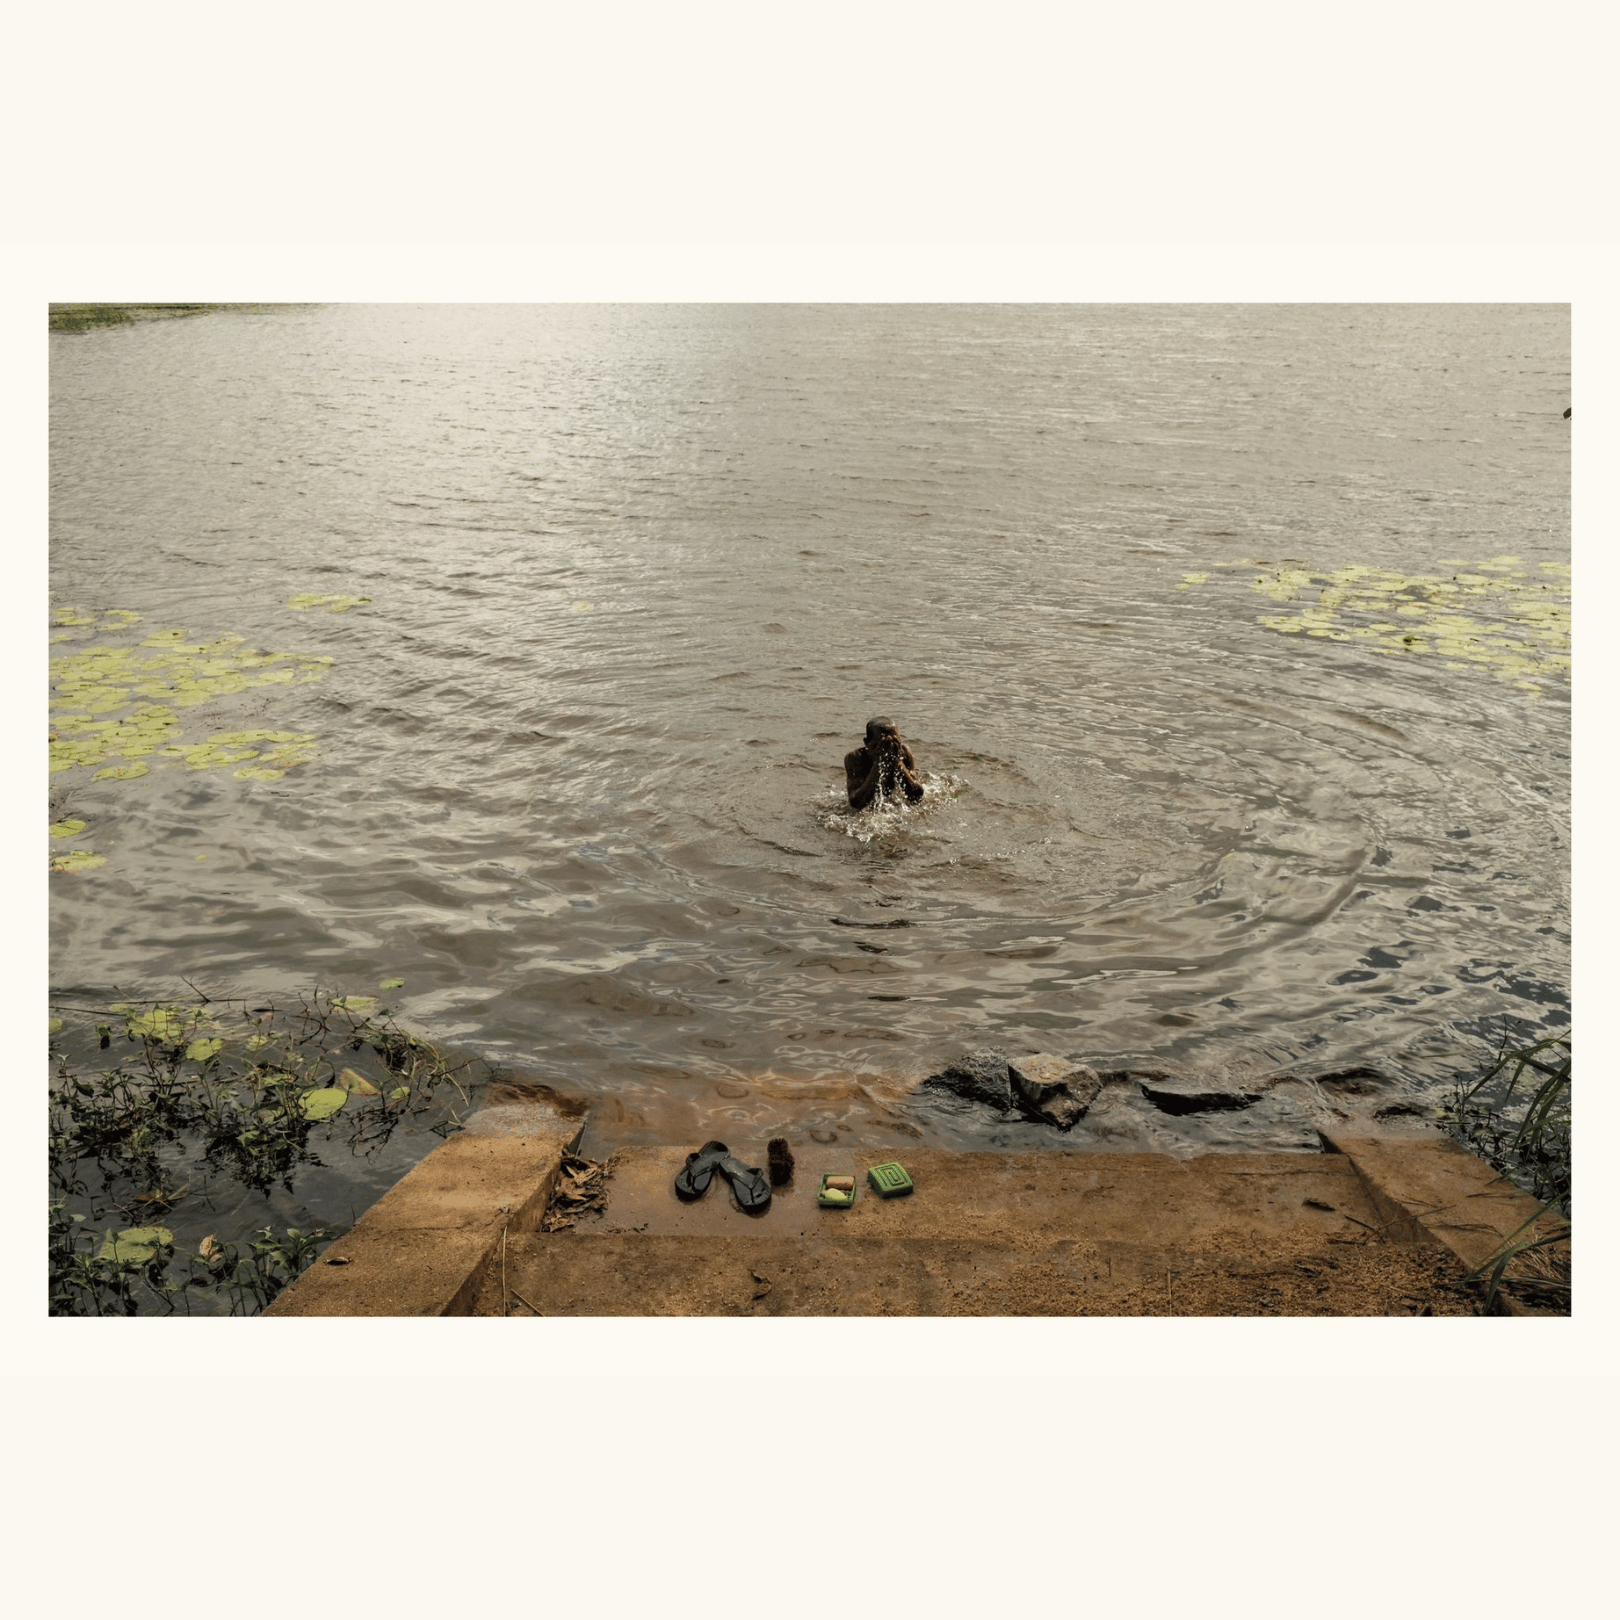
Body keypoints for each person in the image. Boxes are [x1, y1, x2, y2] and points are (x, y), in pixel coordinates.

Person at [845, 716, 924, 809]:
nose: (889, 747)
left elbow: (916, 797)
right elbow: (856, 803)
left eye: (894, 741)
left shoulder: (904, 752)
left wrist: (897, 762)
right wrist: (879, 763)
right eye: (881, 744)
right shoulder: (856, 758)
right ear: (867, 743)